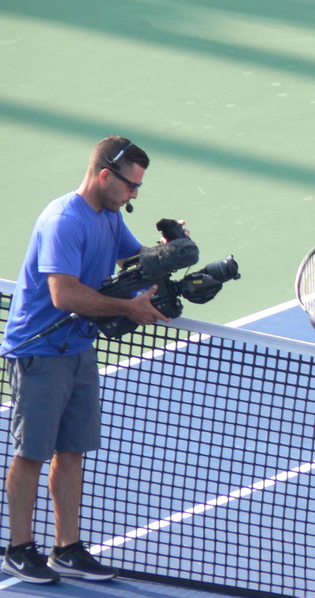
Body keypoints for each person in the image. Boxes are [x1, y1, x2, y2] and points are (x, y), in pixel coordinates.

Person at [1, 136, 170, 585]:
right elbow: (64, 294)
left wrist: (170, 248)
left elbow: (139, 260)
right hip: (38, 350)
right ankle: (18, 549)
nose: (134, 195)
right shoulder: (65, 221)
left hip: (77, 348)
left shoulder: (110, 218)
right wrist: (128, 308)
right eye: (131, 186)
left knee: (71, 450)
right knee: (32, 453)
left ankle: (67, 548)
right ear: (104, 176)